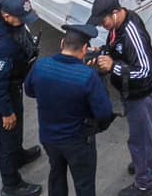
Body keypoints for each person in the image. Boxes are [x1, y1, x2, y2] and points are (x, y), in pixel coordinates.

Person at [25, 25, 115, 196]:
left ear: (62, 43)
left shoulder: (41, 66)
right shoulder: (87, 76)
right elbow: (104, 113)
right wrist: (99, 76)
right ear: (84, 49)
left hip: (49, 137)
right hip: (77, 142)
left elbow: (30, 91)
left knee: (56, 176)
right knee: (84, 184)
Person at [90, 0, 152, 194]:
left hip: (141, 93)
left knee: (140, 138)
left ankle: (145, 183)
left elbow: (144, 71)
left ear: (115, 13)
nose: (101, 25)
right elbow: (119, 50)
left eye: (103, 20)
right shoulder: (117, 27)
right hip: (136, 91)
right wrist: (104, 52)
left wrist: (112, 66)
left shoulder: (131, 33)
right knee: (149, 128)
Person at [0, 0, 44, 196]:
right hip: (3, 91)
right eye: (20, 19)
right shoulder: (3, 47)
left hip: (10, 84)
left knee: (18, 123)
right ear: (6, 17)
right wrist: (6, 111)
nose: (23, 23)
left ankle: (18, 155)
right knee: (8, 134)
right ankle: (11, 184)